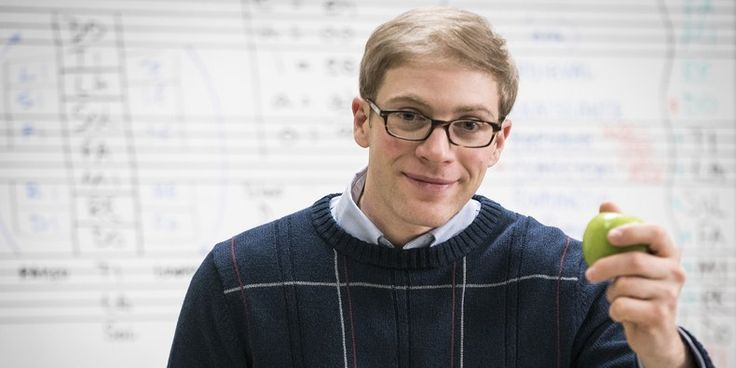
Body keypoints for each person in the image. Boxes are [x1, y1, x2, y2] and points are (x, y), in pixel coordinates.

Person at [168, 6, 713, 367]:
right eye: (409, 115)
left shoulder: (573, 282)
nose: (437, 150)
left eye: (470, 125)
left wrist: (665, 352)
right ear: (362, 120)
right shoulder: (238, 278)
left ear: (498, 141)